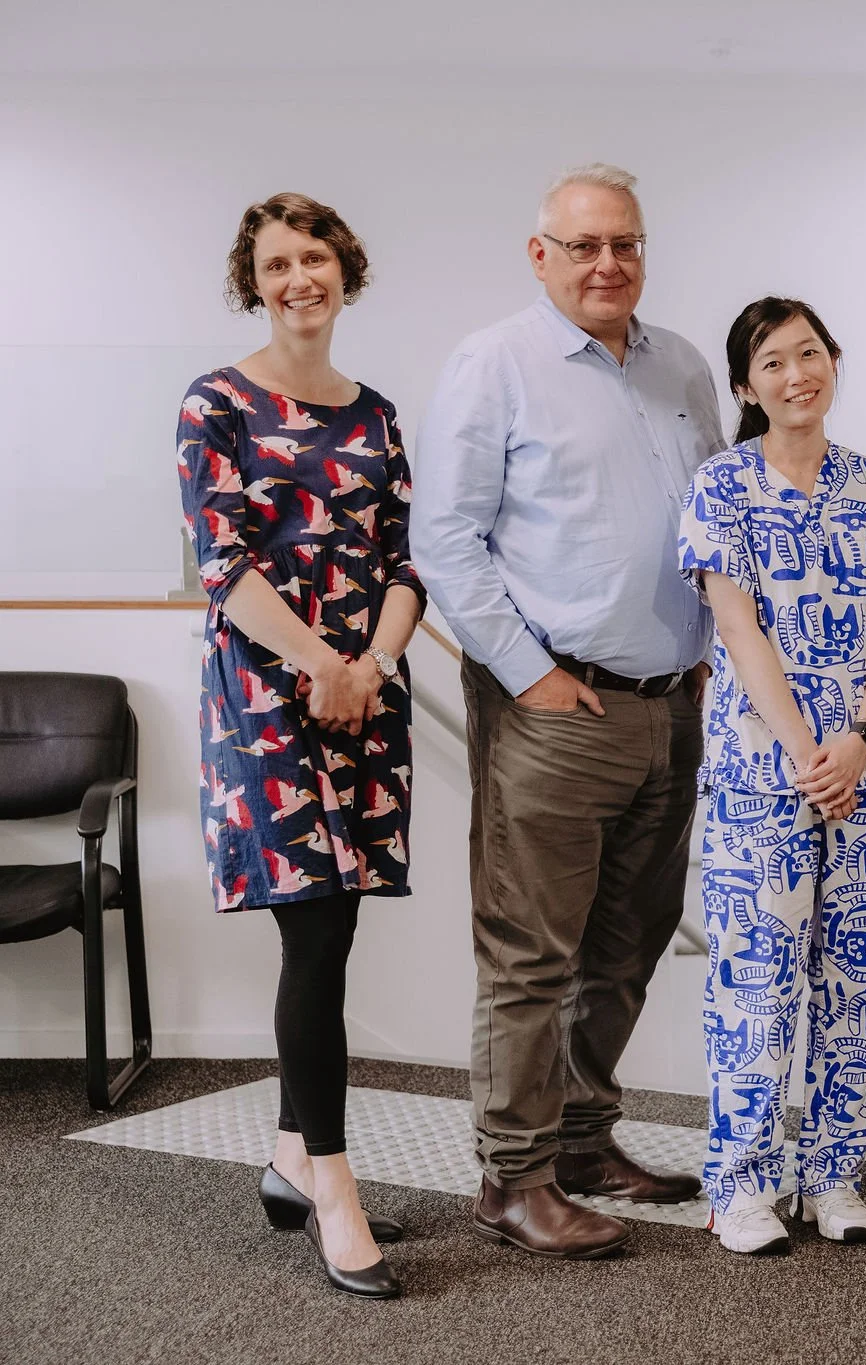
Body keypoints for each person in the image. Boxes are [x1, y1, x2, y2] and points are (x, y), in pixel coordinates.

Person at [412, 163, 719, 1259]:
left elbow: (714, 524)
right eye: (583, 245)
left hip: (668, 706)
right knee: (532, 956)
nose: (607, 264)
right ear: (539, 254)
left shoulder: (680, 366)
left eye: (624, 244)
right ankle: (512, 1179)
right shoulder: (494, 364)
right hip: (552, 708)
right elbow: (443, 539)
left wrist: (704, 656)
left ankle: (584, 1141)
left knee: (625, 947)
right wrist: (528, 673)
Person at [177, 192, 422, 1299]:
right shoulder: (215, 403)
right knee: (314, 939)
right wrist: (322, 664)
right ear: (254, 279)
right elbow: (222, 565)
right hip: (268, 703)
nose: (296, 279)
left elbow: (410, 561)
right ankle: (331, 1181)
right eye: (275, 263)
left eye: (313, 257)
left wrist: (367, 663)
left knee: (331, 935)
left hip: (365, 696)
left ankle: (287, 1152)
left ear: (343, 271)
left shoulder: (375, 415)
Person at [680, 298, 866, 1255]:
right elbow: (738, 632)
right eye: (773, 361)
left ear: (835, 363)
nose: (797, 374)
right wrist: (803, 751)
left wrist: (858, 738)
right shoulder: (722, 488)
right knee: (756, 980)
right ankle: (740, 1184)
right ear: (747, 385)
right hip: (761, 774)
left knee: (856, 976)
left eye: (811, 353)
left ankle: (835, 1173)